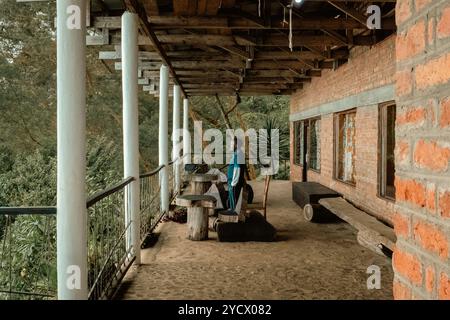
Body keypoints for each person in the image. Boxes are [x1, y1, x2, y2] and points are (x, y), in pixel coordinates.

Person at [226, 137, 246, 212]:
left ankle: (234, 214)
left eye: (231, 144)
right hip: (233, 181)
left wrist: (234, 182)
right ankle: (232, 210)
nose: (230, 145)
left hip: (234, 182)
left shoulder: (238, 154)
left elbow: (237, 168)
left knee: (235, 200)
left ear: (236, 145)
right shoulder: (237, 153)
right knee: (233, 198)